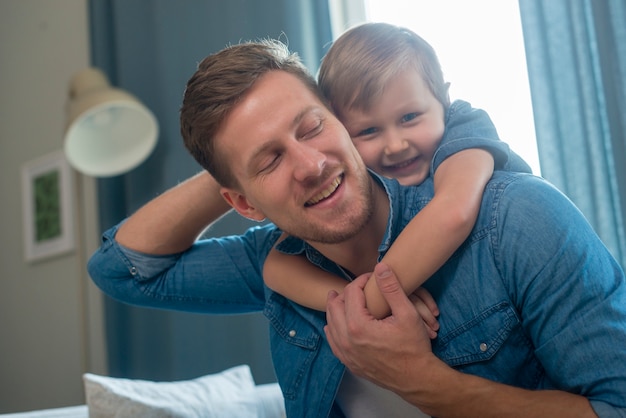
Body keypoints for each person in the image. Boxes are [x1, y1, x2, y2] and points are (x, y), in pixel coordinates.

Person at [87, 38, 626, 417]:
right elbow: (123, 270)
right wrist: (235, 165)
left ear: (341, 117)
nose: (312, 165)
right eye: (271, 160)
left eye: (313, 126)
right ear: (242, 204)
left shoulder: (517, 219)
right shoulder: (275, 258)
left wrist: (428, 386)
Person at [262, 22, 532, 320]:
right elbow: (276, 268)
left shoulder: (463, 127)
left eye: (410, 117)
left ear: (443, 99)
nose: (395, 145)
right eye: (368, 130)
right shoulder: (352, 188)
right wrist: (357, 298)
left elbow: (453, 211)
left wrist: (376, 301)